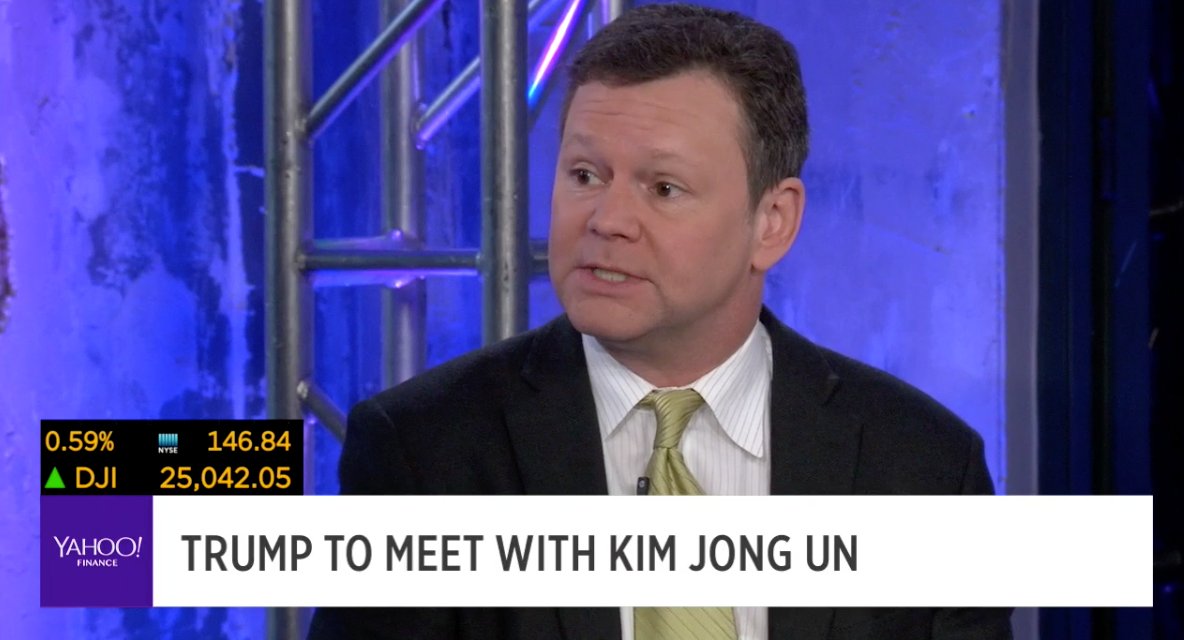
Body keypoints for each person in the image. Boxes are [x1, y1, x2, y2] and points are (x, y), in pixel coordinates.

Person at [307, 3, 1013, 639]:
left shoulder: (922, 467)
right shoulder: (422, 454)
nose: (607, 220)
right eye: (585, 175)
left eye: (664, 188)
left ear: (772, 221)